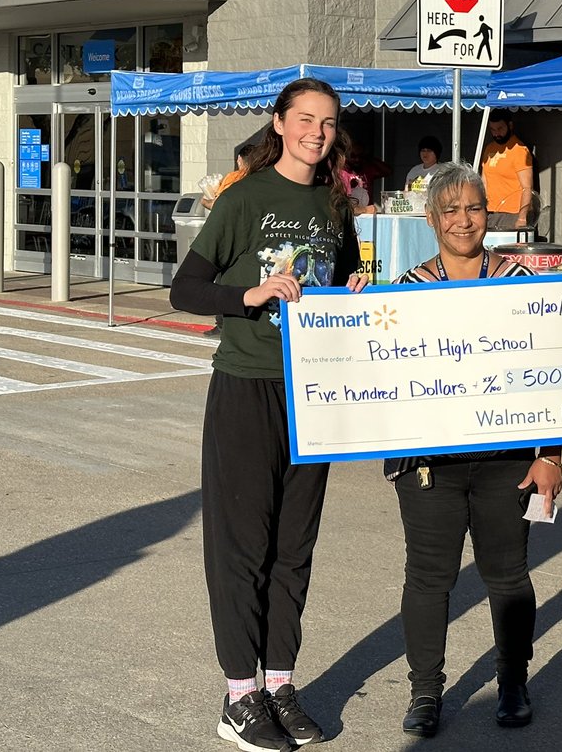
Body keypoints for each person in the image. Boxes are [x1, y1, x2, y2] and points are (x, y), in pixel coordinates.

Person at [169, 78, 370, 752]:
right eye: (305, 119)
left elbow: (339, 284)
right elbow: (185, 290)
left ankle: (280, 683)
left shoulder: (337, 204)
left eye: (328, 122)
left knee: (294, 547)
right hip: (247, 386)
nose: (317, 131)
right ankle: (239, 696)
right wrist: (250, 292)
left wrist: (352, 292)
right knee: (242, 546)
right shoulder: (245, 196)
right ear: (280, 124)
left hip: (313, 391)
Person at [383, 161, 562, 739]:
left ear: (491, 214)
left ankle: (513, 681)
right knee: (428, 579)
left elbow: (549, 373)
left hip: (506, 461)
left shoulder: (520, 283)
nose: (464, 220)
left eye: (475, 208)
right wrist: (352, 316)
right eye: (452, 210)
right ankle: (426, 692)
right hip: (429, 466)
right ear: (432, 219)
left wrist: (551, 455)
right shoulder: (404, 291)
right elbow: (379, 373)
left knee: (508, 575)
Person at [200, 144, 253, 337]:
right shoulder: (260, 180)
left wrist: (204, 201)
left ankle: (222, 323)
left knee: (222, 280)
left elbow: (218, 204)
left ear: (240, 160)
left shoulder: (234, 179)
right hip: (249, 239)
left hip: (229, 238)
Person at [480, 110, 534, 231]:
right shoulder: (489, 148)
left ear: (510, 126)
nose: (496, 133)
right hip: (490, 212)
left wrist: (522, 216)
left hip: (512, 213)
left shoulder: (519, 150)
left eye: (500, 129)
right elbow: (484, 182)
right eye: (493, 130)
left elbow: (527, 187)